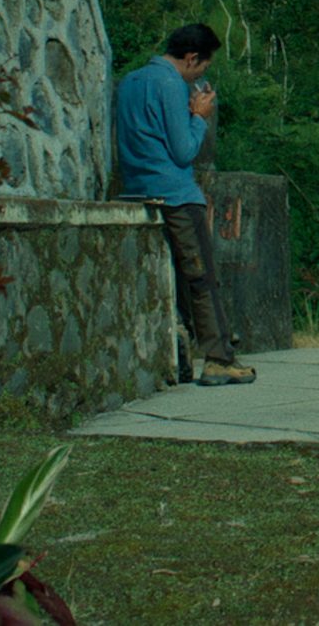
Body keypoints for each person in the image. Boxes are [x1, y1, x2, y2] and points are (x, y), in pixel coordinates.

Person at [116, 23, 254, 386]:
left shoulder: (129, 81)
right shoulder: (171, 84)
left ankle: (187, 353)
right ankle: (218, 359)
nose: (201, 74)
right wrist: (199, 118)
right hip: (176, 193)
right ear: (192, 58)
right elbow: (184, 151)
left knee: (172, 283)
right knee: (201, 278)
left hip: (137, 188)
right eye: (203, 67)